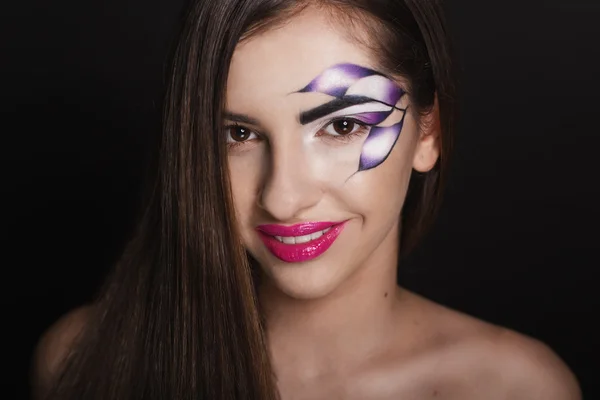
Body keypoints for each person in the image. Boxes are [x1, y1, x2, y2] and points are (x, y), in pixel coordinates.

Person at [32, 0, 582, 399]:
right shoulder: (83, 363)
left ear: (429, 131)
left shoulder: (515, 389)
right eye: (238, 135)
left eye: (342, 125)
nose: (284, 197)